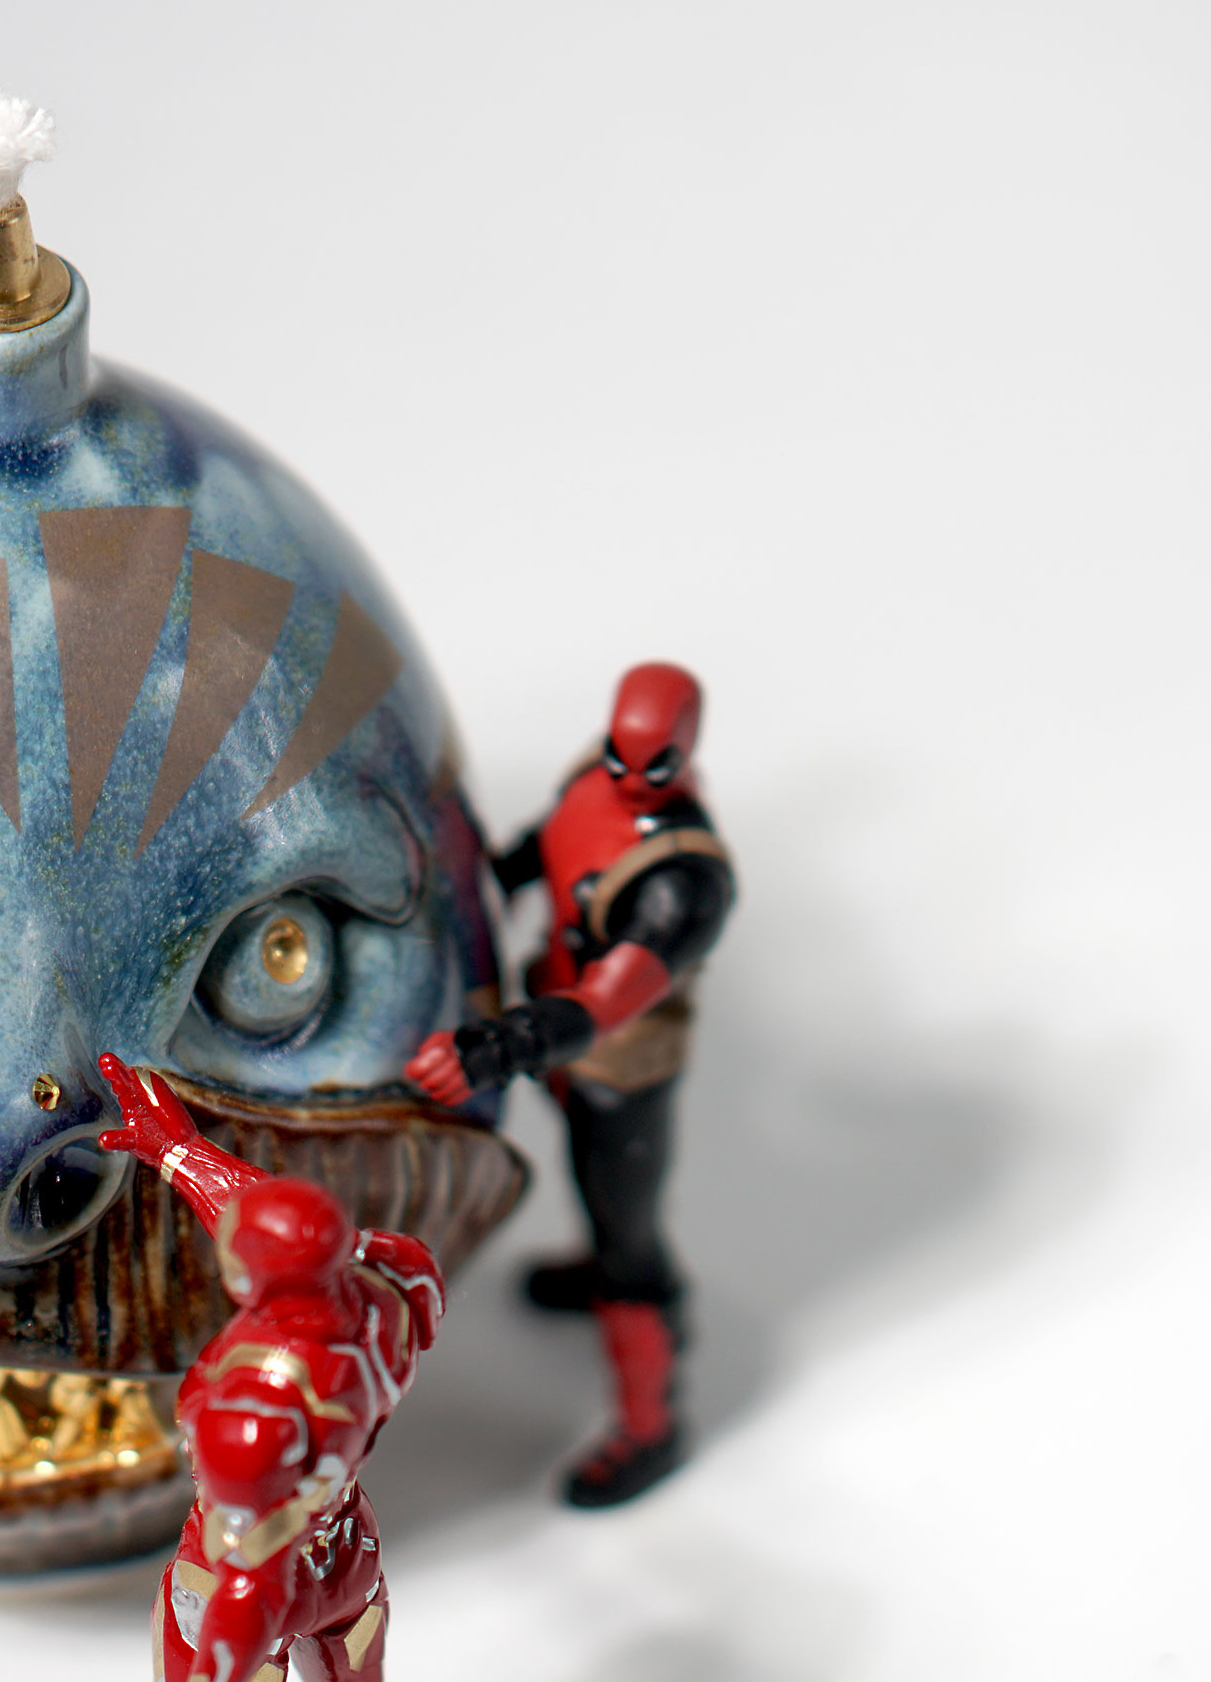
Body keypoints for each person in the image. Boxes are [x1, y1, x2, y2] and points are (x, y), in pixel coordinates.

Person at [404, 662, 734, 1507]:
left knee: (629, 1236)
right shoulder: (593, 774)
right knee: (595, 1196)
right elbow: (539, 849)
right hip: (554, 1033)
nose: (630, 776)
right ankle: (599, 1269)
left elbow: (605, 1003)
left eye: (653, 765)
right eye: (622, 756)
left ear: (684, 753)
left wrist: (493, 1049)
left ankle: (650, 1427)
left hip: (619, 1069)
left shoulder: (683, 882)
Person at [98, 1052, 443, 1682]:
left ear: (246, 1277)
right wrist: (180, 1153)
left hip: (252, 1584)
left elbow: (251, 1580)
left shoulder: (256, 1401)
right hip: (348, 1557)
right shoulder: (395, 1283)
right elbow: (293, 1228)